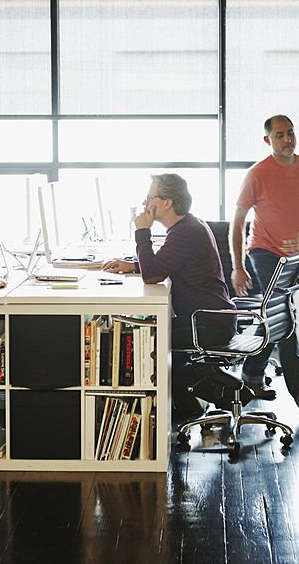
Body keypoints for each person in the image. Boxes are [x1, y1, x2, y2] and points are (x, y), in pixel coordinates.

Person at [102, 174, 238, 421]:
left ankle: (206, 401)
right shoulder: (187, 226)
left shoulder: (185, 232)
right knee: (158, 340)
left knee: (147, 339)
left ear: (167, 202)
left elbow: (153, 274)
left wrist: (142, 231)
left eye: (150, 197)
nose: (146, 204)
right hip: (210, 318)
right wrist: (133, 265)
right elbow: (164, 262)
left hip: (208, 323)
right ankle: (188, 408)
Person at [230, 115, 299, 416]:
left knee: (275, 317)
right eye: (280, 135)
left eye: (290, 133)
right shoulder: (257, 174)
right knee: (283, 315)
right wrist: (238, 266)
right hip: (264, 253)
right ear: (268, 140)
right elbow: (237, 223)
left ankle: (252, 372)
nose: (288, 140)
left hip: (297, 257)